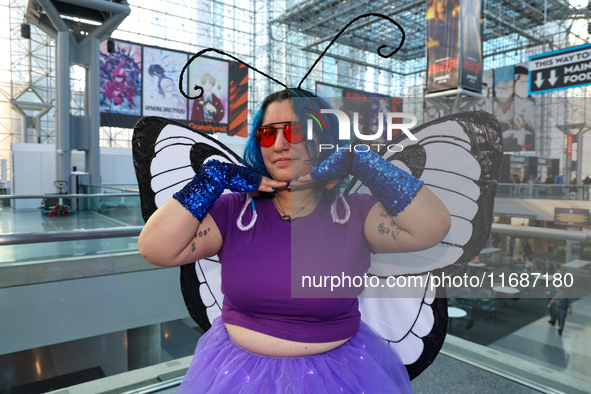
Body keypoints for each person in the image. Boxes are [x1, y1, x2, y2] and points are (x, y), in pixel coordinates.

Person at [138, 88, 451, 392]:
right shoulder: (234, 210)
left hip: (339, 378)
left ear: (324, 137)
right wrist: (211, 179)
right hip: (235, 377)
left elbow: (433, 226)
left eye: (295, 131)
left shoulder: (354, 213)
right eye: (267, 134)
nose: (280, 144)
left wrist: (362, 161)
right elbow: (154, 248)